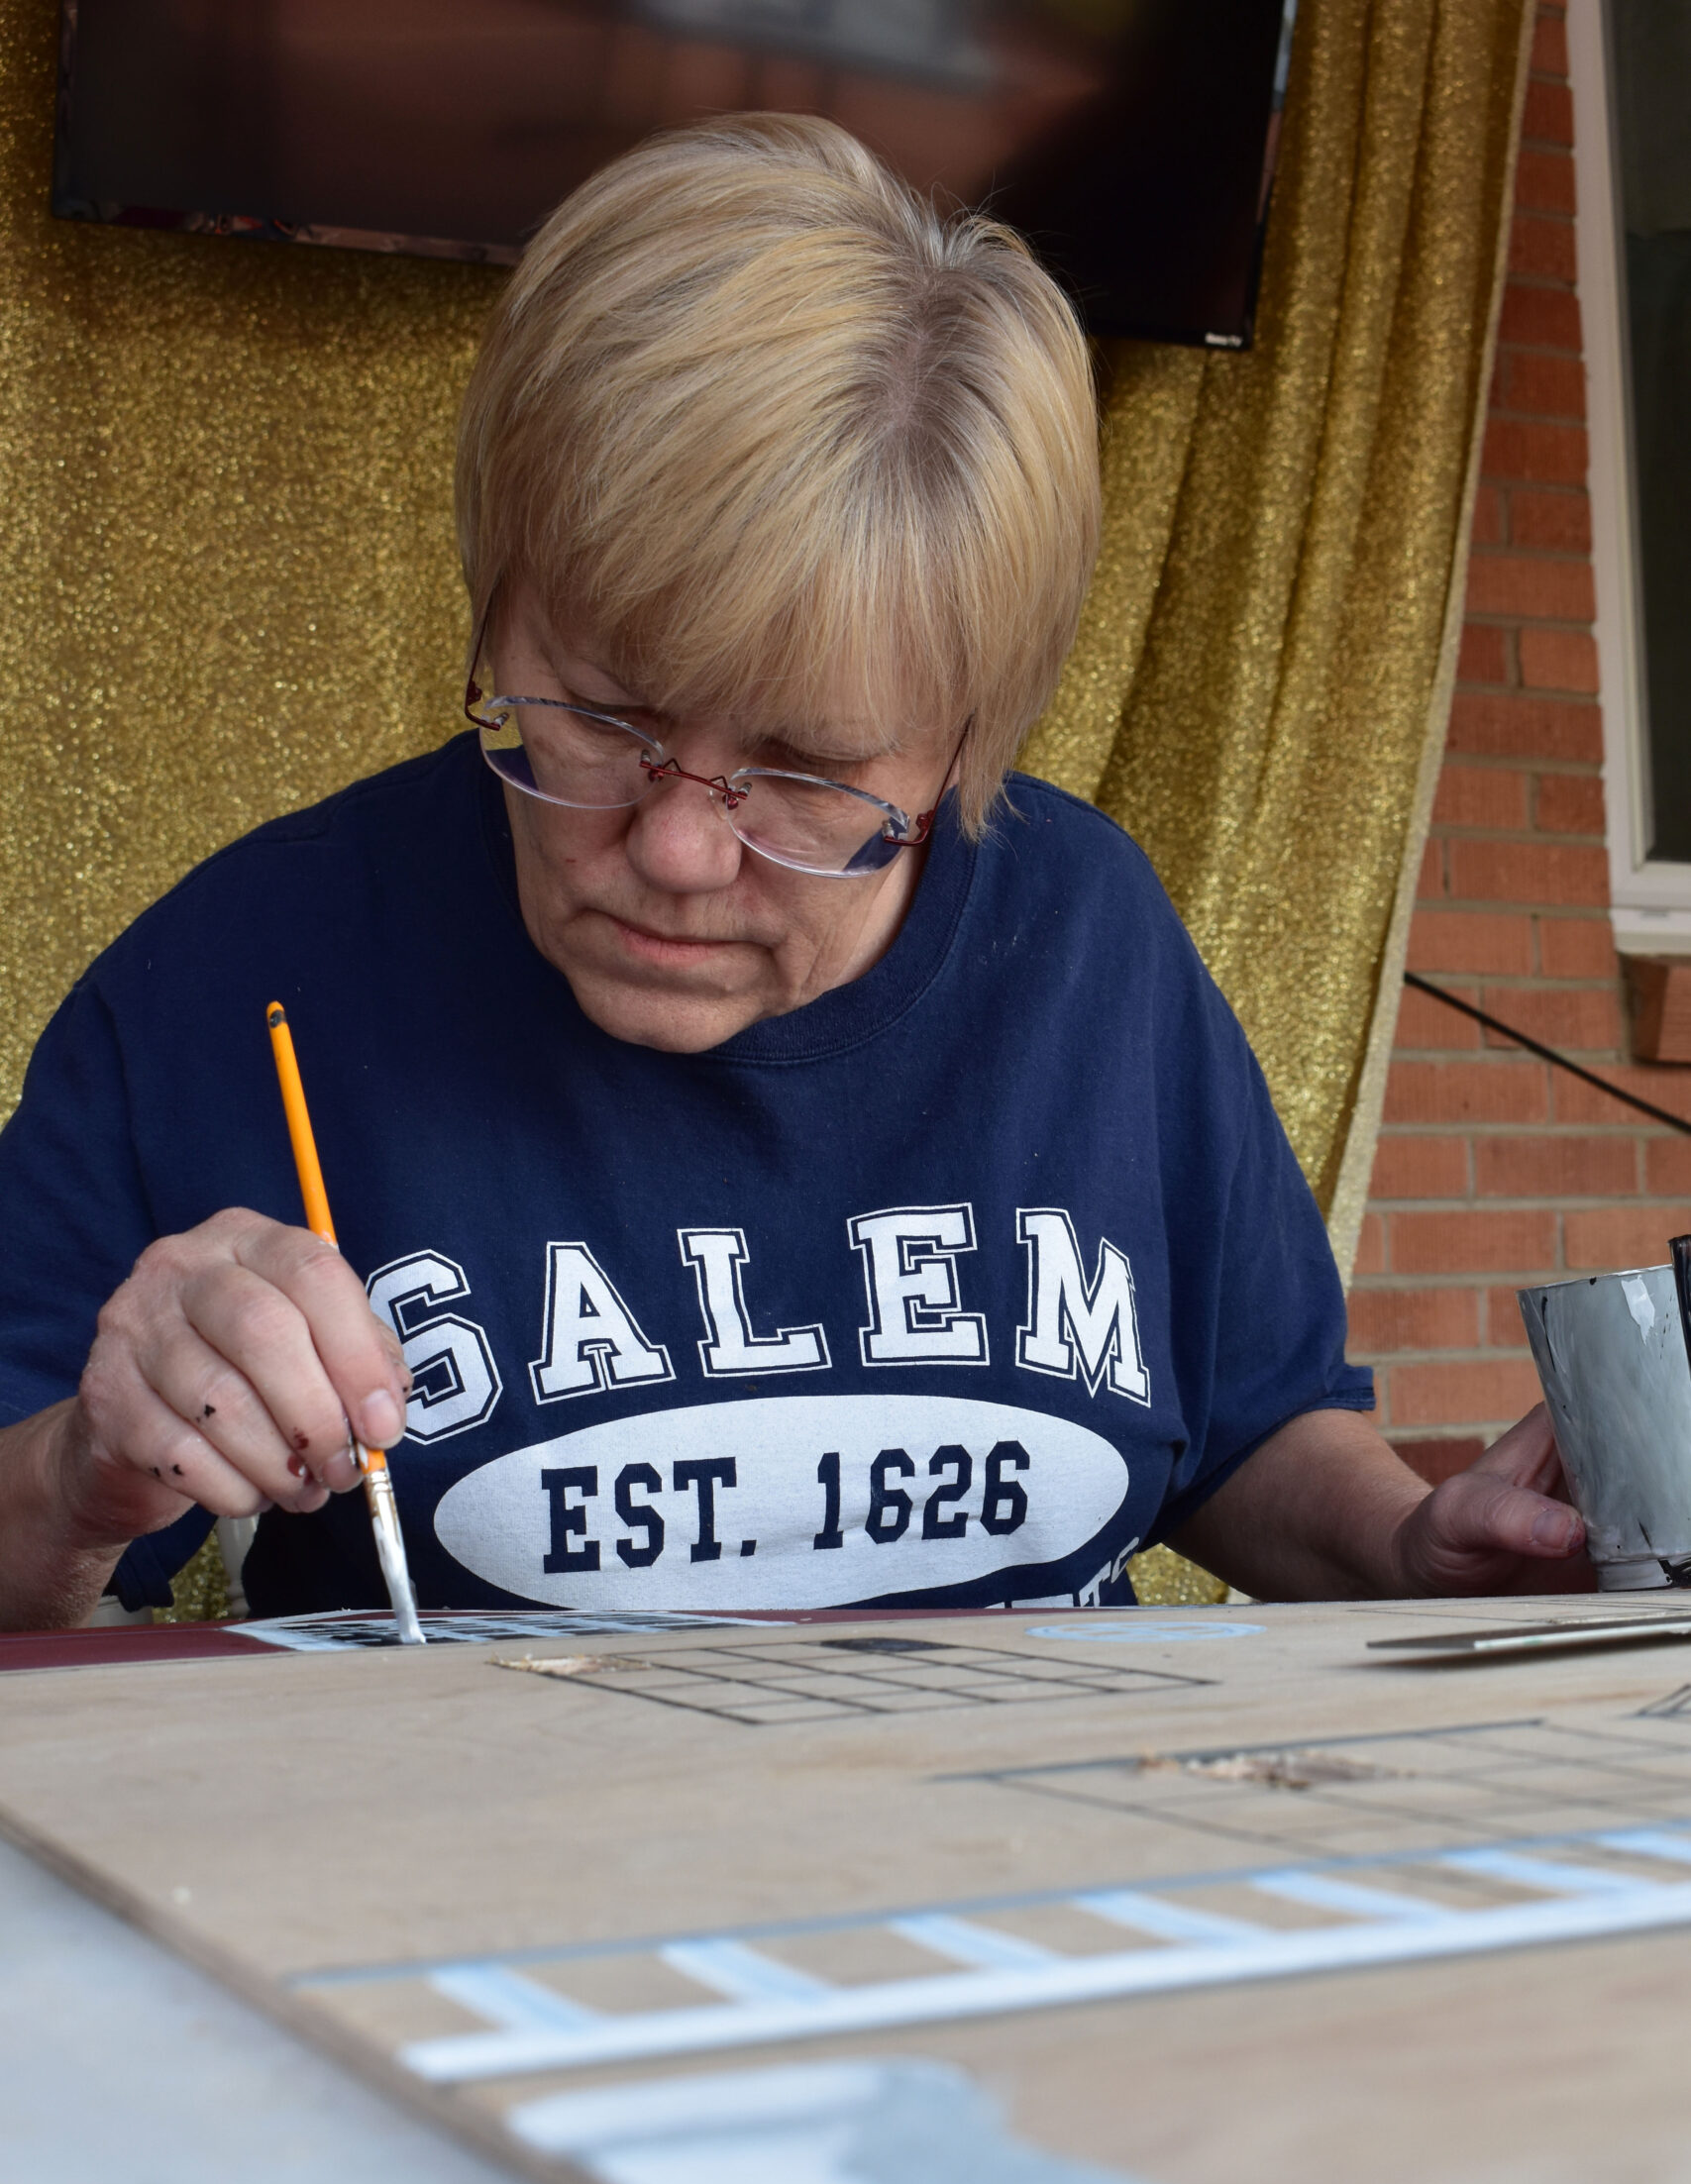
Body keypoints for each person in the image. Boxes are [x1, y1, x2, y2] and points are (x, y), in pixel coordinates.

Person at [0, 114, 1589, 1632]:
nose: (679, 849)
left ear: (964, 746)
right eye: (602, 714)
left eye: (814, 773)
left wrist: (1404, 1543)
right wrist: (80, 1478)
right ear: (493, 598)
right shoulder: (237, 974)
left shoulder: (1086, 942)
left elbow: (1249, 1433)